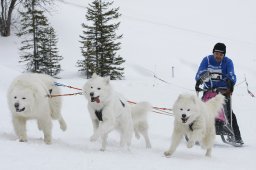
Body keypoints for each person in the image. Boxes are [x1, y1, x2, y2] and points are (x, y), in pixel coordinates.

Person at [195, 42, 244, 145]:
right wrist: (203, 78)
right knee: (200, 109)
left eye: (221, 54)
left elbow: (231, 75)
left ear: (224, 55)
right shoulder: (207, 60)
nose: (218, 56)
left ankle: (237, 137)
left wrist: (229, 81)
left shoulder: (228, 62)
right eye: (216, 53)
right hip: (208, 90)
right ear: (213, 53)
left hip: (223, 92)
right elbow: (199, 74)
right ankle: (196, 132)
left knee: (229, 112)